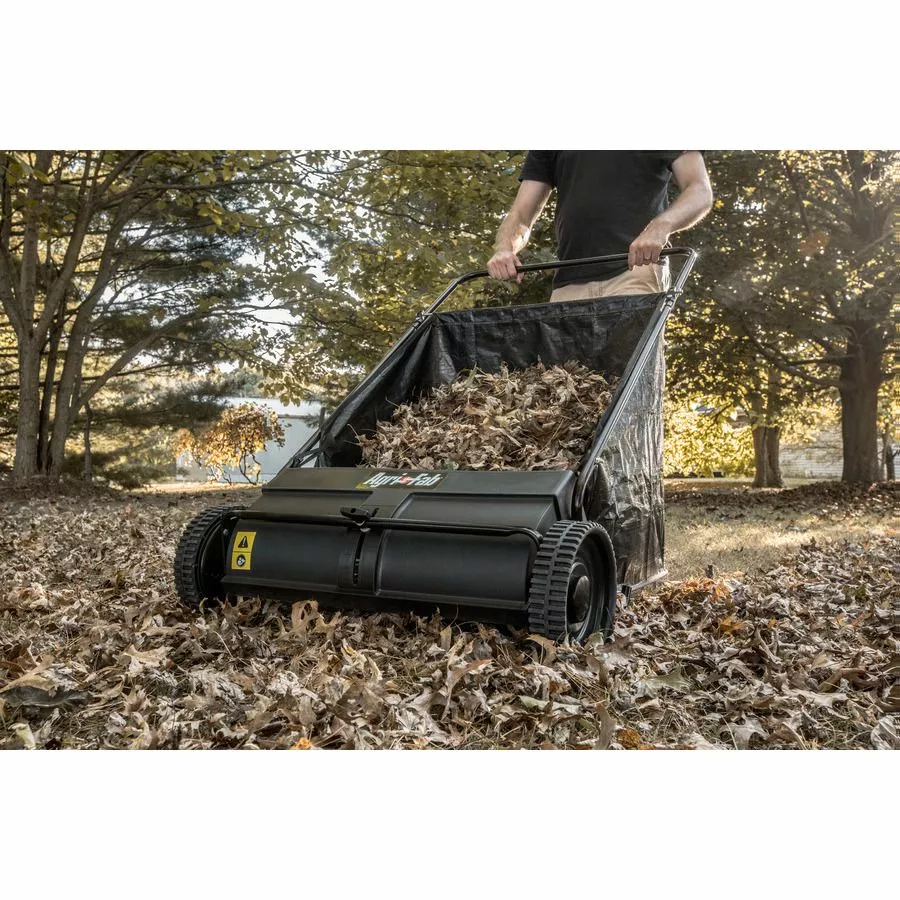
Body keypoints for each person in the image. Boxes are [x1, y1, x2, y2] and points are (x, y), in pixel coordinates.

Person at [487, 151, 713, 299]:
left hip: (634, 271)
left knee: (631, 360)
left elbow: (699, 190)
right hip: (568, 284)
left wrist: (660, 227)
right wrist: (505, 249)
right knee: (562, 362)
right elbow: (521, 213)